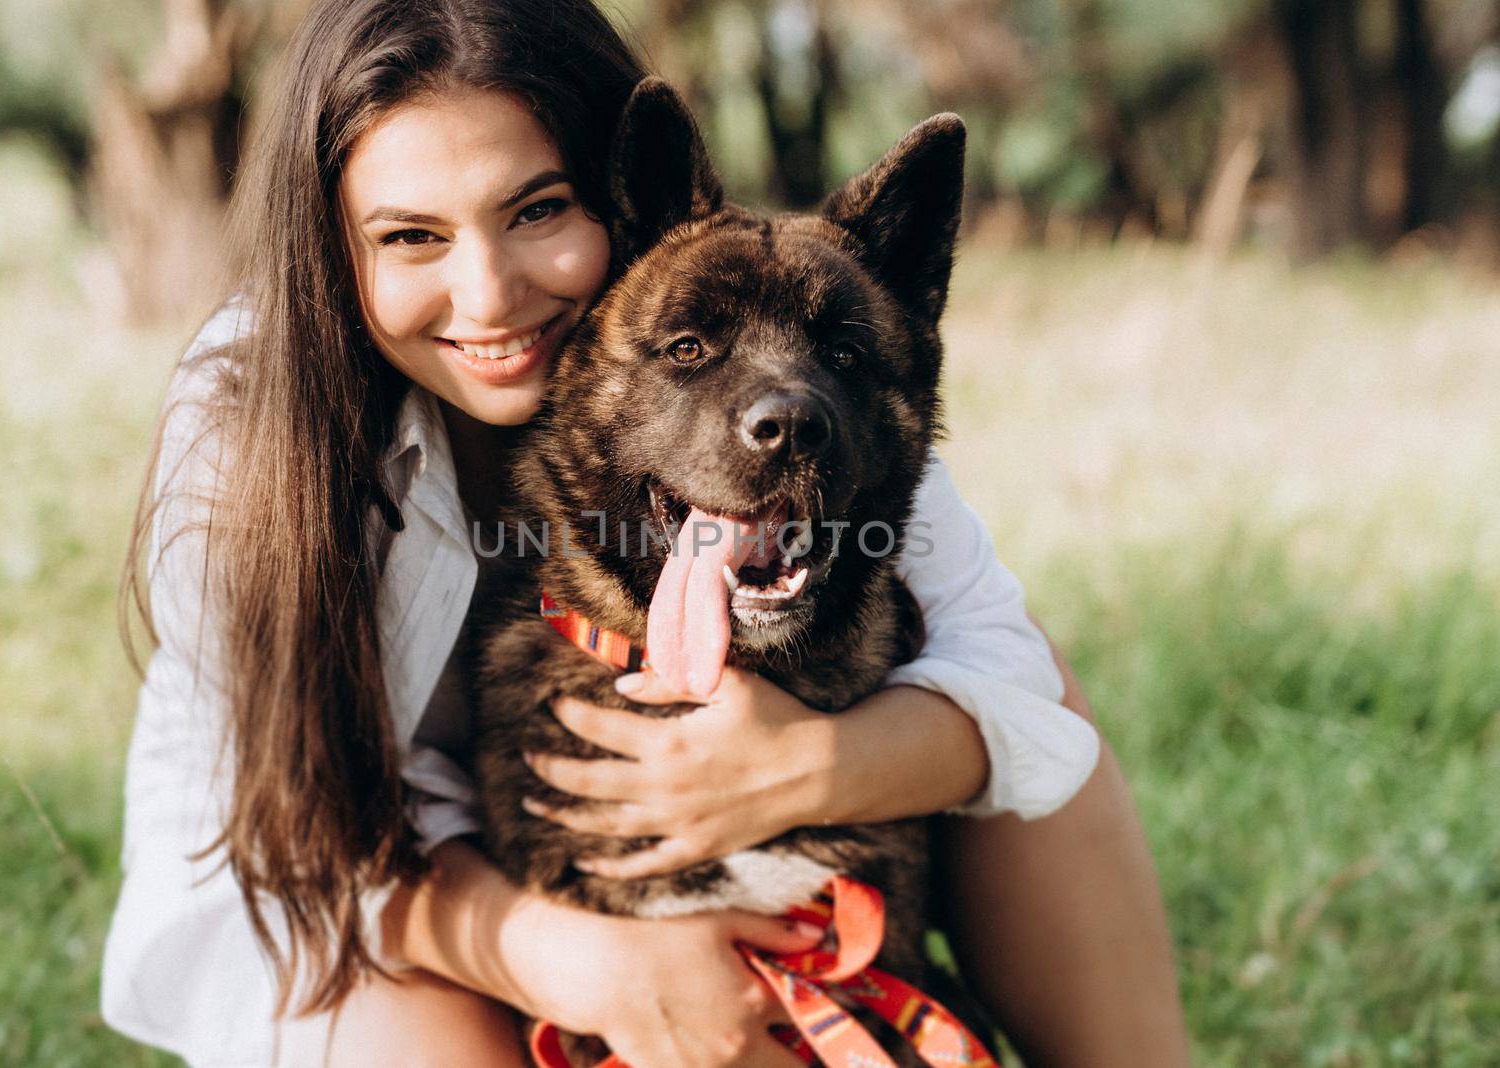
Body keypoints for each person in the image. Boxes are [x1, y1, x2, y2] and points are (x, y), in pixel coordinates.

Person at [100, 0, 1191, 1065]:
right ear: (331, 249)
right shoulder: (254, 426)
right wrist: (575, 962)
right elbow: (290, 838)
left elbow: (1008, 673)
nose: (488, 294)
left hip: (753, 806)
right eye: (409, 236)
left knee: (1018, 685)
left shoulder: (793, 358)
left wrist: (816, 767)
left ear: (624, 205)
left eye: (535, 210)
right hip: (362, 897)